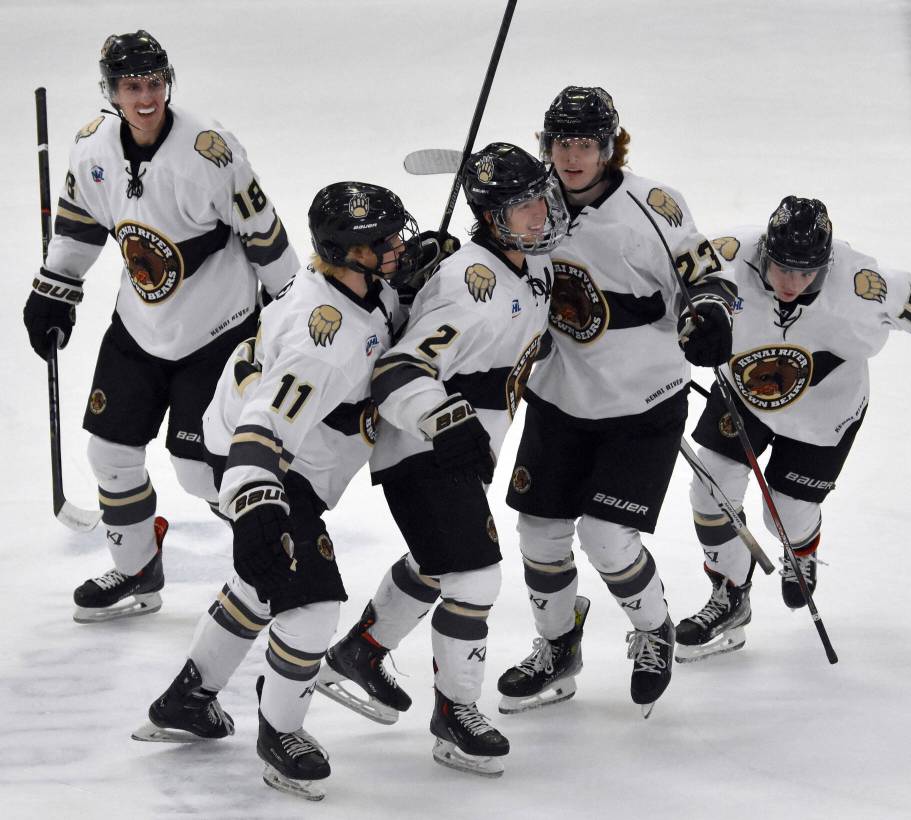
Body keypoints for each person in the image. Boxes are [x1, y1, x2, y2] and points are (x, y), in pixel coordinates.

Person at [132, 182, 424, 801]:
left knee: (262, 585)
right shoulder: (325, 341)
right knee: (312, 605)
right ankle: (280, 732)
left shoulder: (349, 288)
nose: (396, 247)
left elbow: (382, 311)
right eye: (383, 242)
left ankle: (188, 697)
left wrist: (414, 274)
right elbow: (263, 423)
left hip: (253, 455)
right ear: (347, 252)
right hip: (262, 468)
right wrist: (259, 504)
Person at [21, 30, 297, 623]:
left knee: (202, 473)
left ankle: (281, 559)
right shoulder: (92, 148)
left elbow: (267, 238)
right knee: (109, 454)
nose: (144, 99)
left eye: (153, 85)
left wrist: (290, 317)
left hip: (217, 332)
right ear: (112, 92)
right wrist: (53, 290)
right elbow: (79, 225)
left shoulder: (211, 150)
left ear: (167, 84)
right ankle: (139, 568)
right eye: (130, 87)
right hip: (138, 328)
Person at [315, 142, 568, 778]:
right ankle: (455, 713)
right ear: (490, 216)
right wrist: (445, 423)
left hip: (458, 446)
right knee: (475, 577)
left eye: (541, 198)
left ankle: (362, 651)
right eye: (522, 207)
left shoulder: (529, 264)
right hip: (423, 449)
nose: (540, 214)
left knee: (437, 562)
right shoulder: (469, 285)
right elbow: (398, 370)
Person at [494, 86, 735, 719]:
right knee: (540, 532)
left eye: (586, 145)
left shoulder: (653, 206)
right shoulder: (531, 199)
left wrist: (709, 312)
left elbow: (706, 276)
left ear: (609, 147)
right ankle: (557, 648)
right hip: (559, 395)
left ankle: (652, 631)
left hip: (642, 402)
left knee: (606, 535)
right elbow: (490, 249)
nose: (572, 157)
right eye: (561, 144)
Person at [674, 196, 911, 661]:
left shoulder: (862, 288)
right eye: (783, 268)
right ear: (765, 250)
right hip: (745, 394)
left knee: (782, 514)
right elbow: (670, 285)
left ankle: (800, 549)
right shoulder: (728, 252)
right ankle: (729, 593)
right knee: (710, 491)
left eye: (805, 273)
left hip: (825, 414)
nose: (791, 283)